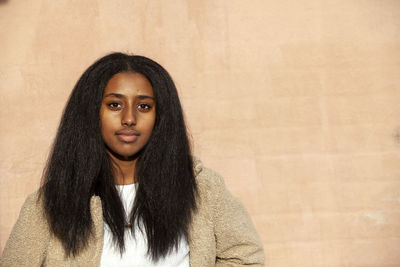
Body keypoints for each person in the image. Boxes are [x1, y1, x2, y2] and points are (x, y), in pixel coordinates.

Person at [0, 53, 265, 266]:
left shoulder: (202, 188)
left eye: (144, 106)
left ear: (161, 116)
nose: (129, 118)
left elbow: (245, 257)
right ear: (92, 112)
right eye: (115, 104)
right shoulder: (50, 203)